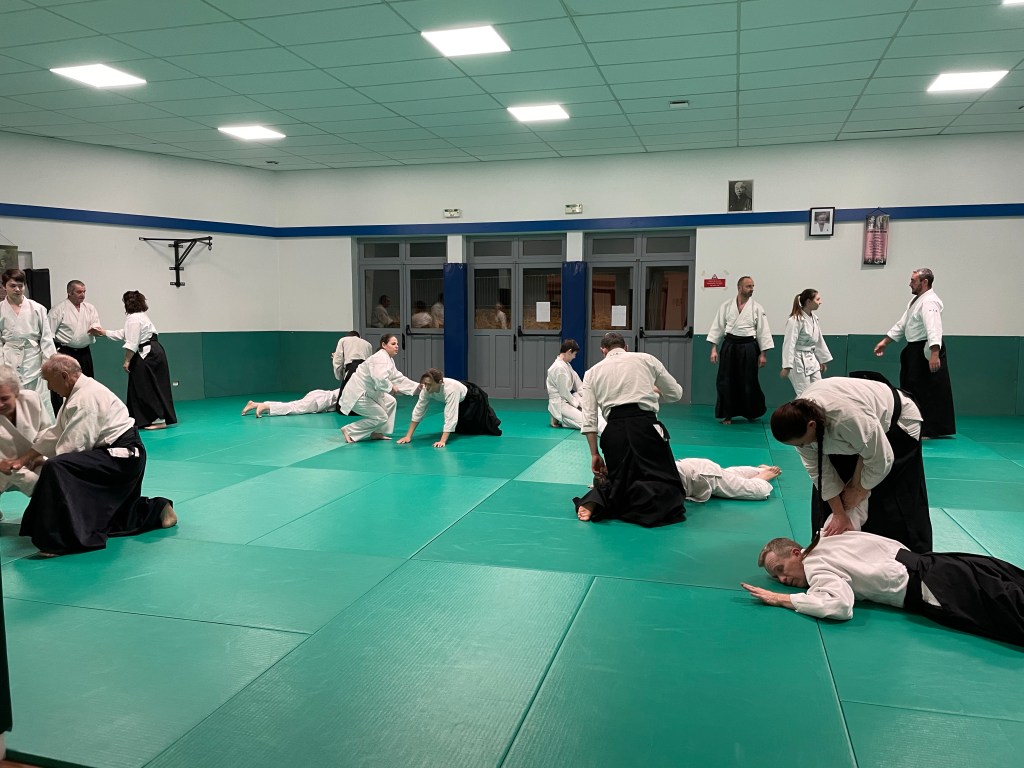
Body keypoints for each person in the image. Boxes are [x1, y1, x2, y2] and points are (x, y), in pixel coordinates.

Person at [11, 355, 177, 556]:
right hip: (110, 453)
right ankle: (158, 509)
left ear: (64, 376)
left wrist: (44, 461)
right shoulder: (75, 392)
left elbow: (73, 448)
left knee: (57, 468)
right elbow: (56, 433)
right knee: (109, 517)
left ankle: (62, 539)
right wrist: (26, 458)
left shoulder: (86, 398)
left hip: (124, 458)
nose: (48, 387)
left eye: (48, 381)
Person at [743, 531, 1024, 648]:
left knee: (1013, 617)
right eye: (776, 578)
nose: (782, 579)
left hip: (935, 587)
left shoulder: (816, 567)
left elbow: (839, 606)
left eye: (781, 569)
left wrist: (782, 599)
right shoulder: (827, 537)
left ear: (796, 553)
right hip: (946, 563)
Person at [770, 376, 932, 554]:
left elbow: (881, 460)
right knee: (834, 501)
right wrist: (839, 513)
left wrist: (859, 490)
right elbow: (820, 472)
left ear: (811, 425)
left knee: (885, 497)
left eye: (801, 443)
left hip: (897, 423)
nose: (801, 447)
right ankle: (834, 552)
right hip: (853, 432)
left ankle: (905, 556)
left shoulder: (846, 417)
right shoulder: (797, 426)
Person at [574, 332, 686, 528]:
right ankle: (657, 507)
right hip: (647, 429)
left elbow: (589, 419)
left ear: (603, 351)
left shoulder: (592, 372)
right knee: (664, 479)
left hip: (614, 434)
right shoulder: (646, 359)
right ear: (625, 347)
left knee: (620, 482)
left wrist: (594, 454)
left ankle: (598, 501)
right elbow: (676, 393)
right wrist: (656, 391)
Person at [873, 268, 955, 438]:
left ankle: (928, 428)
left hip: (926, 349)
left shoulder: (930, 302)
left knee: (927, 388)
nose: (909, 284)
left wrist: (934, 353)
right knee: (912, 385)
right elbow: (902, 323)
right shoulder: (916, 301)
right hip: (914, 348)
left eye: (913, 280)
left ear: (924, 282)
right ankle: (917, 424)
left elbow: (934, 328)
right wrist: (885, 341)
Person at [91, 290, 177, 430]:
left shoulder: (133, 319)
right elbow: (125, 334)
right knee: (148, 385)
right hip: (154, 352)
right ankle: (147, 418)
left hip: (148, 354)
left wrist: (127, 361)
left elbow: (132, 342)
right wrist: (104, 332)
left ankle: (154, 419)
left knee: (144, 386)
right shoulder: (140, 316)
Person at [707, 275, 774, 424]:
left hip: (749, 346)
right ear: (739, 288)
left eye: (752, 286)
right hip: (729, 345)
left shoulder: (757, 308)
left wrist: (763, 354)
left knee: (749, 380)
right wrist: (713, 349)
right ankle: (727, 414)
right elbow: (717, 327)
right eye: (748, 286)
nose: (752, 289)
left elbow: (763, 331)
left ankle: (751, 412)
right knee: (725, 380)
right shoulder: (726, 306)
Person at [336, 333, 419, 443]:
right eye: (393, 344)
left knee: (391, 402)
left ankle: (377, 432)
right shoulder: (380, 358)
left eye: (397, 344)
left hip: (369, 392)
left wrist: (416, 386)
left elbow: (397, 377)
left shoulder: (388, 359)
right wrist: (391, 387)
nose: (397, 346)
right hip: (358, 394)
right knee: (381, 417)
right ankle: (349, 430)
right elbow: (379, 378)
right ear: (384, 345)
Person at [0, 268, 57, 421]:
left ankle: (45, 431)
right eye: (13, 286)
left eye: (21, 285)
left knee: (40, 398)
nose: (17, 289)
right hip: (9, 358)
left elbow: (46, 338)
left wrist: (49, 363)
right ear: (4, 286)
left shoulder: (37, 308)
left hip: (34, 359)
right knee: (12, 397)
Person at [397, 368, 502, 448]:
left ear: (440, 383)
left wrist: (442, 441)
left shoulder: (450, 390)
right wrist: (408, 436)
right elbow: (419, 410)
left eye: (429, 384)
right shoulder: (426, 389)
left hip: (472, 397)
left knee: (478, 424)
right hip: (460, 395)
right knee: (462, 428)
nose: (426, 387)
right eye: (425, 384)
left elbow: (450, 414)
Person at [0, 365, 53, 509]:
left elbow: (45, 430)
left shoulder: (31, 399)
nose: (0, 404)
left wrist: (38, 454)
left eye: (5, 398)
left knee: (52, 476)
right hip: (4, 466)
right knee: (33, 482)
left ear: (16, 393)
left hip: (32, 459)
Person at [47, 279, 102, 415]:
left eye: (84, 292)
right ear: (69, 292)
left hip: (84, 352)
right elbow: (49, 335)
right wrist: (52, 356)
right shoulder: (58, 310)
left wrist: (97, 330)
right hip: (65, 352)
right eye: (79, 292)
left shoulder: (90, 308)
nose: (82, 295)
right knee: (63, 384)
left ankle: (87, 412)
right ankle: (60, 415)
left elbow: (96, 325)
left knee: (87, 383)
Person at [780, 288, 832, 396]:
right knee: (804, 394)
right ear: (808, 301)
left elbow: (818, 340)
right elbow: (789, 343)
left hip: (811, 358)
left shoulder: (814, 319)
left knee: (818, 391)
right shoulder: (795, 320)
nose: (820, 302)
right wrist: (787, 366)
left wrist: (822, 360)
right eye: (818, 299)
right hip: (797, 361)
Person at [676, 459, 780, 502]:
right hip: (691, 468)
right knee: (726, 475)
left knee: (758, 491)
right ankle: (759, 471)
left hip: (700, 476)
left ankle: (763, 476)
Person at [546, 339, 585, 429]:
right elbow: (564, 393)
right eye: (574, 354)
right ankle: (561, 419)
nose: (574, 357)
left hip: (568, 398)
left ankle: (562, 416)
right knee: (586, 423)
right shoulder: (559, 368)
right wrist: (577, 405)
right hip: (560, 402)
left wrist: (585, 398)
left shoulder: (566, 364)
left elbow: (578, 382)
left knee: (590, 416)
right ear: (569, 352)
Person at [331, 330, 373, 408]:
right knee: (362, 394)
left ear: (348, 336)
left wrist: (339, 376)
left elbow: (338, 360)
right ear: (359, 337)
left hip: (352, 368)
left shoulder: (343, 340)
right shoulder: (368, 344)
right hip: (365, 371)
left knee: (341, 405)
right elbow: (370, 362)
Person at [242, 389, 339, 418]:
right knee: (294, 408)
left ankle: (255, 404)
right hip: (321, 399)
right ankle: (266, 406)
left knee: (294, 405)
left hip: (320, 397)